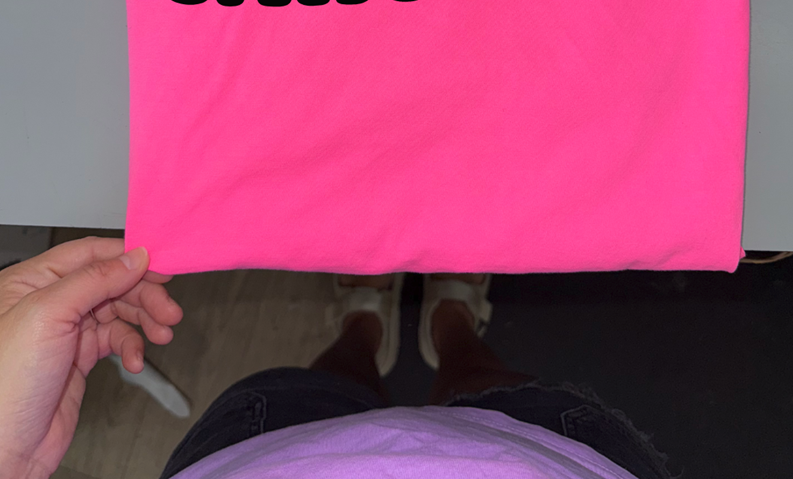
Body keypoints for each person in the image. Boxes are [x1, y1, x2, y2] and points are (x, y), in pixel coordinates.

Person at [0, 238, 674, 479]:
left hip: (262, 457)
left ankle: (365, 321)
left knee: (326, 382)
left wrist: (9, 458)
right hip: (543, 459)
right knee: (485, 382)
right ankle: (449, 319)